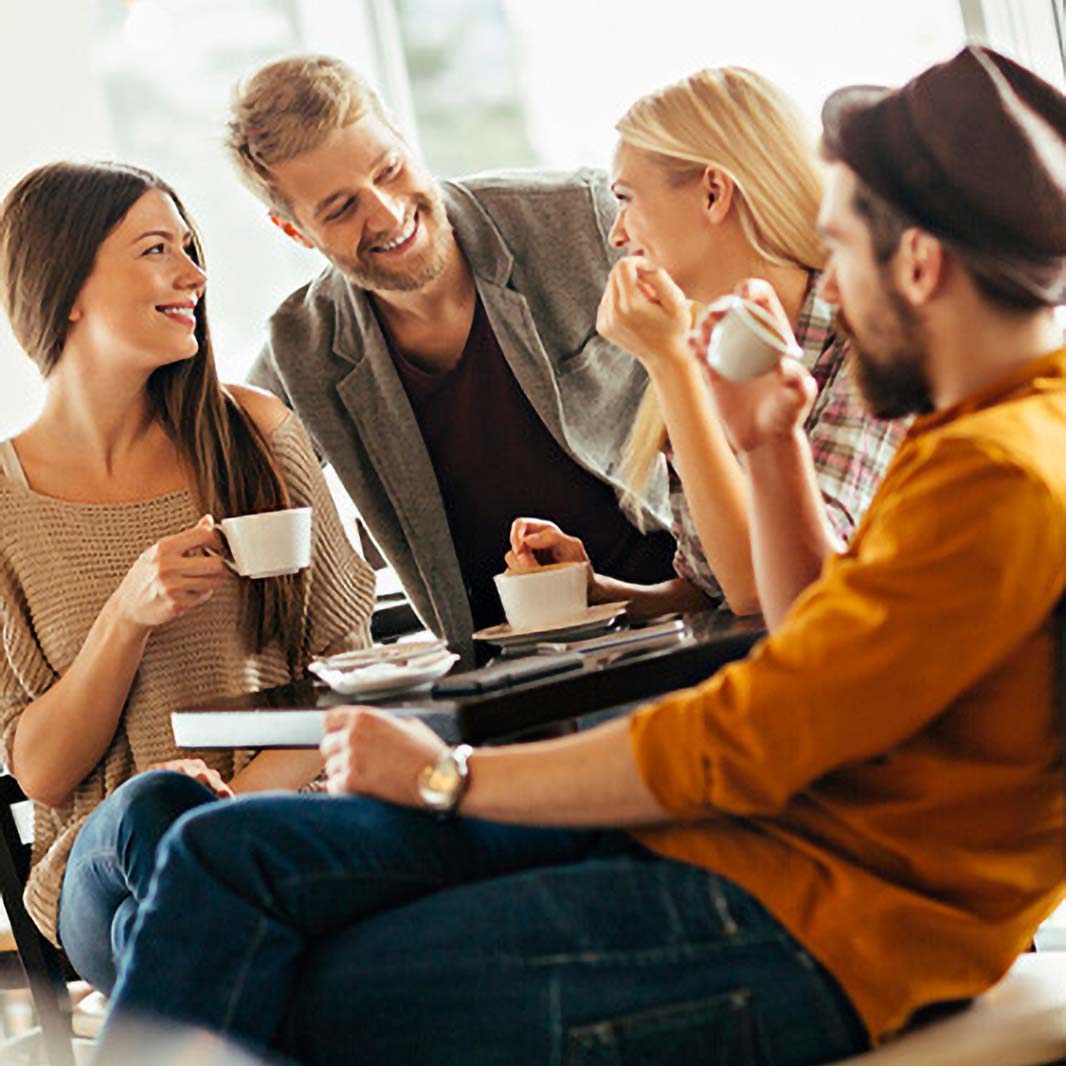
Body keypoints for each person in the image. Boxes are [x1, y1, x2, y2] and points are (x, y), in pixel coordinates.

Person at [97, 47, 1066, 1065]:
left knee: (285, 973)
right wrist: (767, 439)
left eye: (840, 250)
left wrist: (451, 779)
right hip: (744, 838)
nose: (827, 287)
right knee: (217, 854)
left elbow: (750, 735)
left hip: (815, 909)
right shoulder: (980, 435)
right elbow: (814, 639)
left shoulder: (997, 474)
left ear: (917, 267)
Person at [0, 161, 376, 993]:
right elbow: (41, 774)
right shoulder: (4, 507)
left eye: (191, 246)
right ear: (65, 287)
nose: (195, 275)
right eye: (157, 249)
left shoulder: (256, 435)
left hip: (287, 825)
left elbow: (349, 680)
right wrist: (126, 617)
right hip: (107, 857)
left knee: (199, 924)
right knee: (152, 809)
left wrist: (225, 823)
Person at [230, 55, 678, 657]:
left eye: (389, 170)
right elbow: (223, 474)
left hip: (682, 612)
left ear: (406, 142)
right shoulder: (300, 349)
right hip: (503, 680)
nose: (387, 213)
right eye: (340, 209)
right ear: (295, 233)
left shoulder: (582, 216)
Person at [506, 67, 904, 623]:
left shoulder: (866, 352)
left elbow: (771, 595)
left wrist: (668, 363)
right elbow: (712, 587)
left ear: (714, 193)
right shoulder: (710, 342)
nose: (617, 234)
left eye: (626, 198)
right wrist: (597, 592)